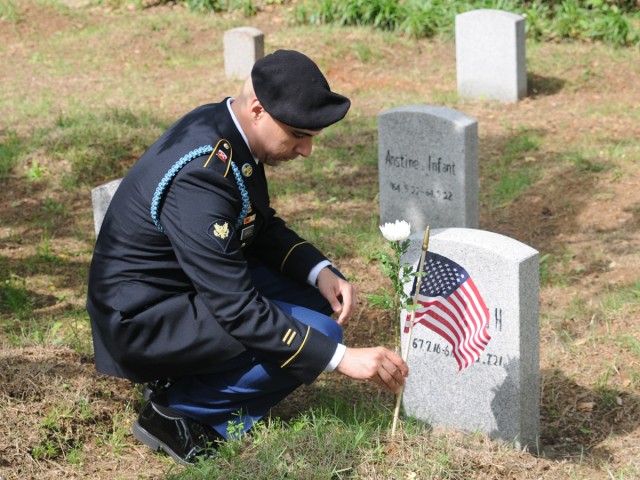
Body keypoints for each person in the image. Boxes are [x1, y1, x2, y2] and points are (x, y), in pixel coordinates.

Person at [86, 49, 408, 465]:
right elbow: (237, 308)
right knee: (323, 337)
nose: (306, 149)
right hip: (144, 320)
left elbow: (256, 221)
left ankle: (195, 383)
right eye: (297, 134)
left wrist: (317, 270)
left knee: (317, 300)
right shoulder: (204, 172)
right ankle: (179, 411)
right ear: (258, 109)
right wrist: (341, 360)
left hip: (181, 285)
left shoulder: (226, 126)